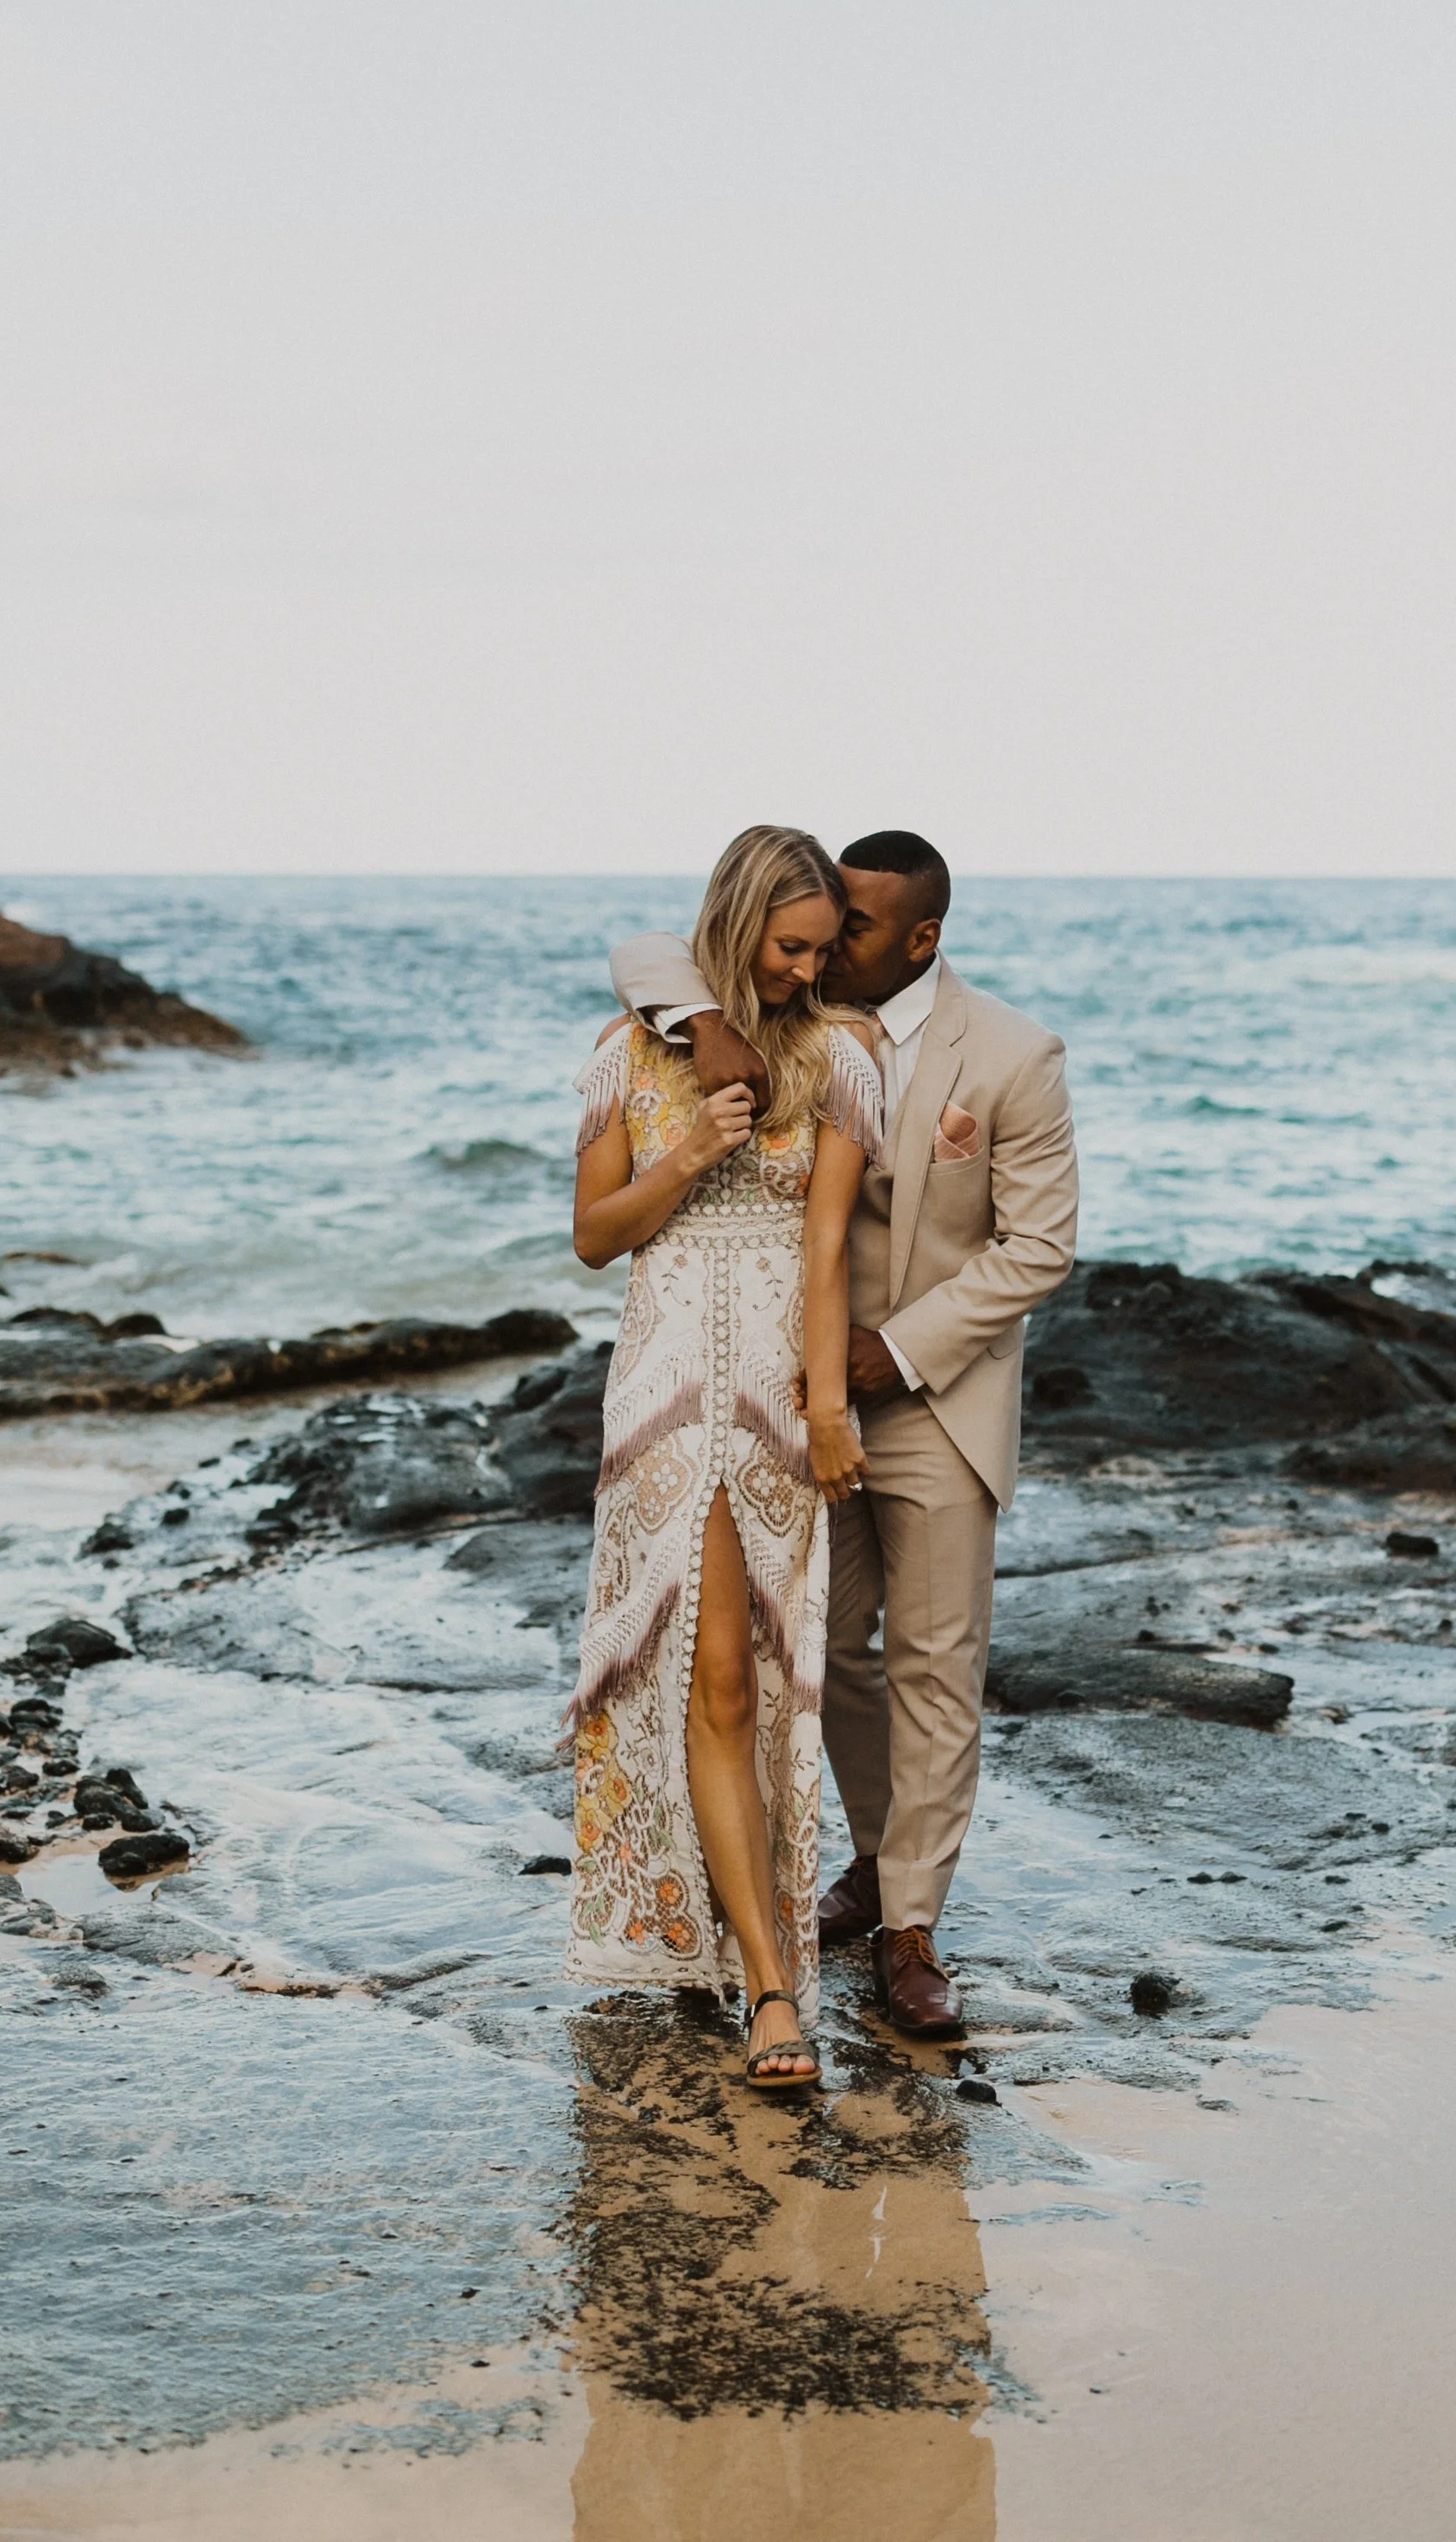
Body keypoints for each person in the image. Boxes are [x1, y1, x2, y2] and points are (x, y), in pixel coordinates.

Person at [609, 831, 1077, 2038]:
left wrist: (896, 1349)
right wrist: (705, 1023)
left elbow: (1039, 1246)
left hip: (932, 1393)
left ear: (921, 936)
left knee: (936, 1661)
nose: (831, 950)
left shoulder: (1016, 1055)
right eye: (819, 930)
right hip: (779, 1395)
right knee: (827, 1655)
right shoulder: (780, 1005)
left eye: (857, 931)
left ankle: (911, 1925)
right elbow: (652, 945)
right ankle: (874, 1858)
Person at [566, 825, 886, 2092]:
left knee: (767, 1678)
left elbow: (825, 1255)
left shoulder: (841, 1060)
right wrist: (693, 1146)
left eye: (824, 948)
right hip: (657, 1397)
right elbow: (596, 1235)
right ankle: (768, 1986)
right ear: (737, 922)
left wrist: (824, 1406)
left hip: (766, 1395)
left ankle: (746, 1942)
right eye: (791, 945)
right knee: (713, 1682)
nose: (810, 969)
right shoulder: (626, 1055)